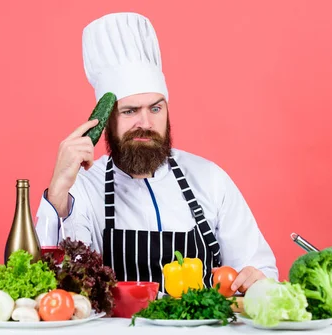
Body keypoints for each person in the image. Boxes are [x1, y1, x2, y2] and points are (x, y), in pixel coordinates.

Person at [35, 12, 278, 295]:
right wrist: (58, 190)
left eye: (155, 108)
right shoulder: (84, 188)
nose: (146, 124)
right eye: (129, 111)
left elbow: (259, 270)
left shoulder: (209, 179)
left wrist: (255, 280)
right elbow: (53, 279)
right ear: (105, 122)